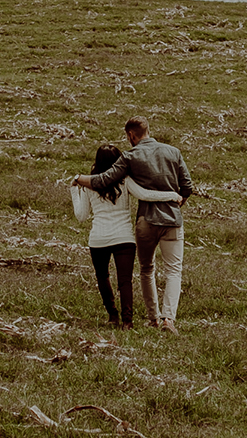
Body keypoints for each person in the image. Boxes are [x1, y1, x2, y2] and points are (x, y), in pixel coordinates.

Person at [74, 118, 195, 331]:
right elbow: (187, 187)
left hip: (146, 221)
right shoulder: (174, 152)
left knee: (147, 269)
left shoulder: (130, 157)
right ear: (148, 130)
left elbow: (103, 180)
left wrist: (78, 179)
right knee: (174, 271)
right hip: (172, 219)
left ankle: (152, 318)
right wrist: (176, 201)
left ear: (131, 135)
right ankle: (168, 319)